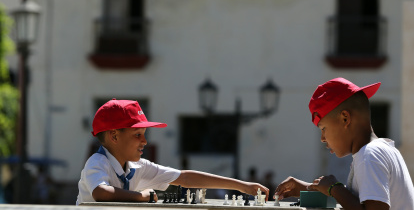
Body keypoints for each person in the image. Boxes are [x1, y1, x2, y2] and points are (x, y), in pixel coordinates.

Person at [76, 99, 269, 205]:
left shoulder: (138, 167)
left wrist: (242, 186)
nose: (144, 141)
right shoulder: (98, 162)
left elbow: (184, 178)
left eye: (144, 134)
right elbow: (101, 192)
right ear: (114, 136)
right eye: (137, 135)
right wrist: (141, 196)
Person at [274, 77, 414, 210]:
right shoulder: (380, 149)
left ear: (345, 119)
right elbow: (361, 200)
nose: (322, 138)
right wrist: (311, 187)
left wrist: (334, 188)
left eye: (323, 129)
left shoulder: (370, 155)